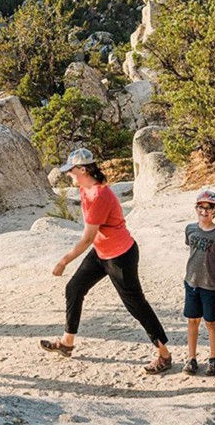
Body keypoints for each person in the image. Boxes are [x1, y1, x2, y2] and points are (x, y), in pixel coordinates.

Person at [40, 147, 173, 373]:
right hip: (101, 253)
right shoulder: (84, 189)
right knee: (74, 288)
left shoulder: (100, 195)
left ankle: (164, 355)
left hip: (120, 256)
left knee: (135, 304)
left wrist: (64, 261)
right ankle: (67, 343)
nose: (69, 175)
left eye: (71, 171)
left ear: (82, 169)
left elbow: (87, 238)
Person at [182, 190, 215, 376]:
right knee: (192, 320)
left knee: (211, 322)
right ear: (196, 208)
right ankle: (191, 358)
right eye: (200, 207)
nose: (204, 211)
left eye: (209, 208)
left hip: (211, 284)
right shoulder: (190, 229)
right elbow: (192, 250)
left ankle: (213, 358)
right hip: (191, 282)